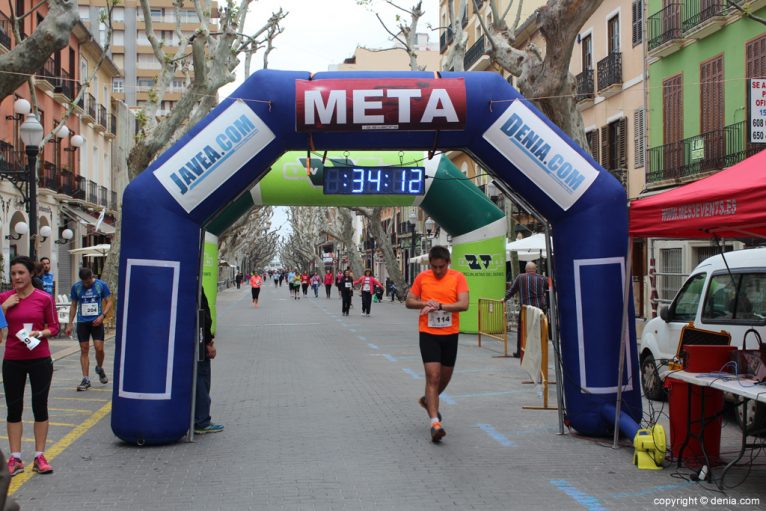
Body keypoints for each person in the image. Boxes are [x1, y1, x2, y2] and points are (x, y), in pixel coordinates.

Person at [1, 256, 60, 475]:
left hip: (40, 359)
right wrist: (4, 308)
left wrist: (40, 333)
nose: (16, 277)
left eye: (20, 273)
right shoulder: (4, 298)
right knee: (14, 409)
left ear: (30, 274)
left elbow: (54, 327)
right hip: (13, 359)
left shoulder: (44, 298)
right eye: (13, 273)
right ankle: (15, 458)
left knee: (39, 406)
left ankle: (39, 456)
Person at [405, 246, 469, 443]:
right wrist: (425, 304)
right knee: (433, 377)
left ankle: (427, 400)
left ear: (448, 262)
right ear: (430, 264)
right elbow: (409, 301)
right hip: (428, 334)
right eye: (434, 267)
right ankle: (435, 423)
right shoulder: (422, 278)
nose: (438, 271)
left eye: (441, 267)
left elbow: (464, 304)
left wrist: (440, 306)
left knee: (444, 378)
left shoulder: (458, 278)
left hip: (450, 334)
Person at [65, 267, 112, 391]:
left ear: (92, 276)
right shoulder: (76, 287)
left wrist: (103, 316)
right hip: (82, 322)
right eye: (85, 282)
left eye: (89, 281)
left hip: (97, 322)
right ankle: (86, 379)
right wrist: (70, 323)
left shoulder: (101, 285)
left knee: (99, 348)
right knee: (84, 349)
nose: (87, 283)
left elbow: (109, 301)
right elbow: (74, 305)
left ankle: (99, 368)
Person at [194, 288, 224, 435]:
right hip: (199, 343)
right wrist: (207, 341)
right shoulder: (195, 285)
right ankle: (201, 420)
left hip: (197, 340)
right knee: (201, 379)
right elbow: (202, 316)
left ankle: (197, 419)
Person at [504, 261, 549, 358]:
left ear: (525, 269)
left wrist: (504, 299)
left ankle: (520, 352)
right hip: (540, 309)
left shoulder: (521, 277)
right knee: (539, 330)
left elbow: (512, 290)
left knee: (522, 330)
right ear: (535, 269)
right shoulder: (542, 278)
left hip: (526, 309)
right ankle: (539, 352)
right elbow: (551, 286)